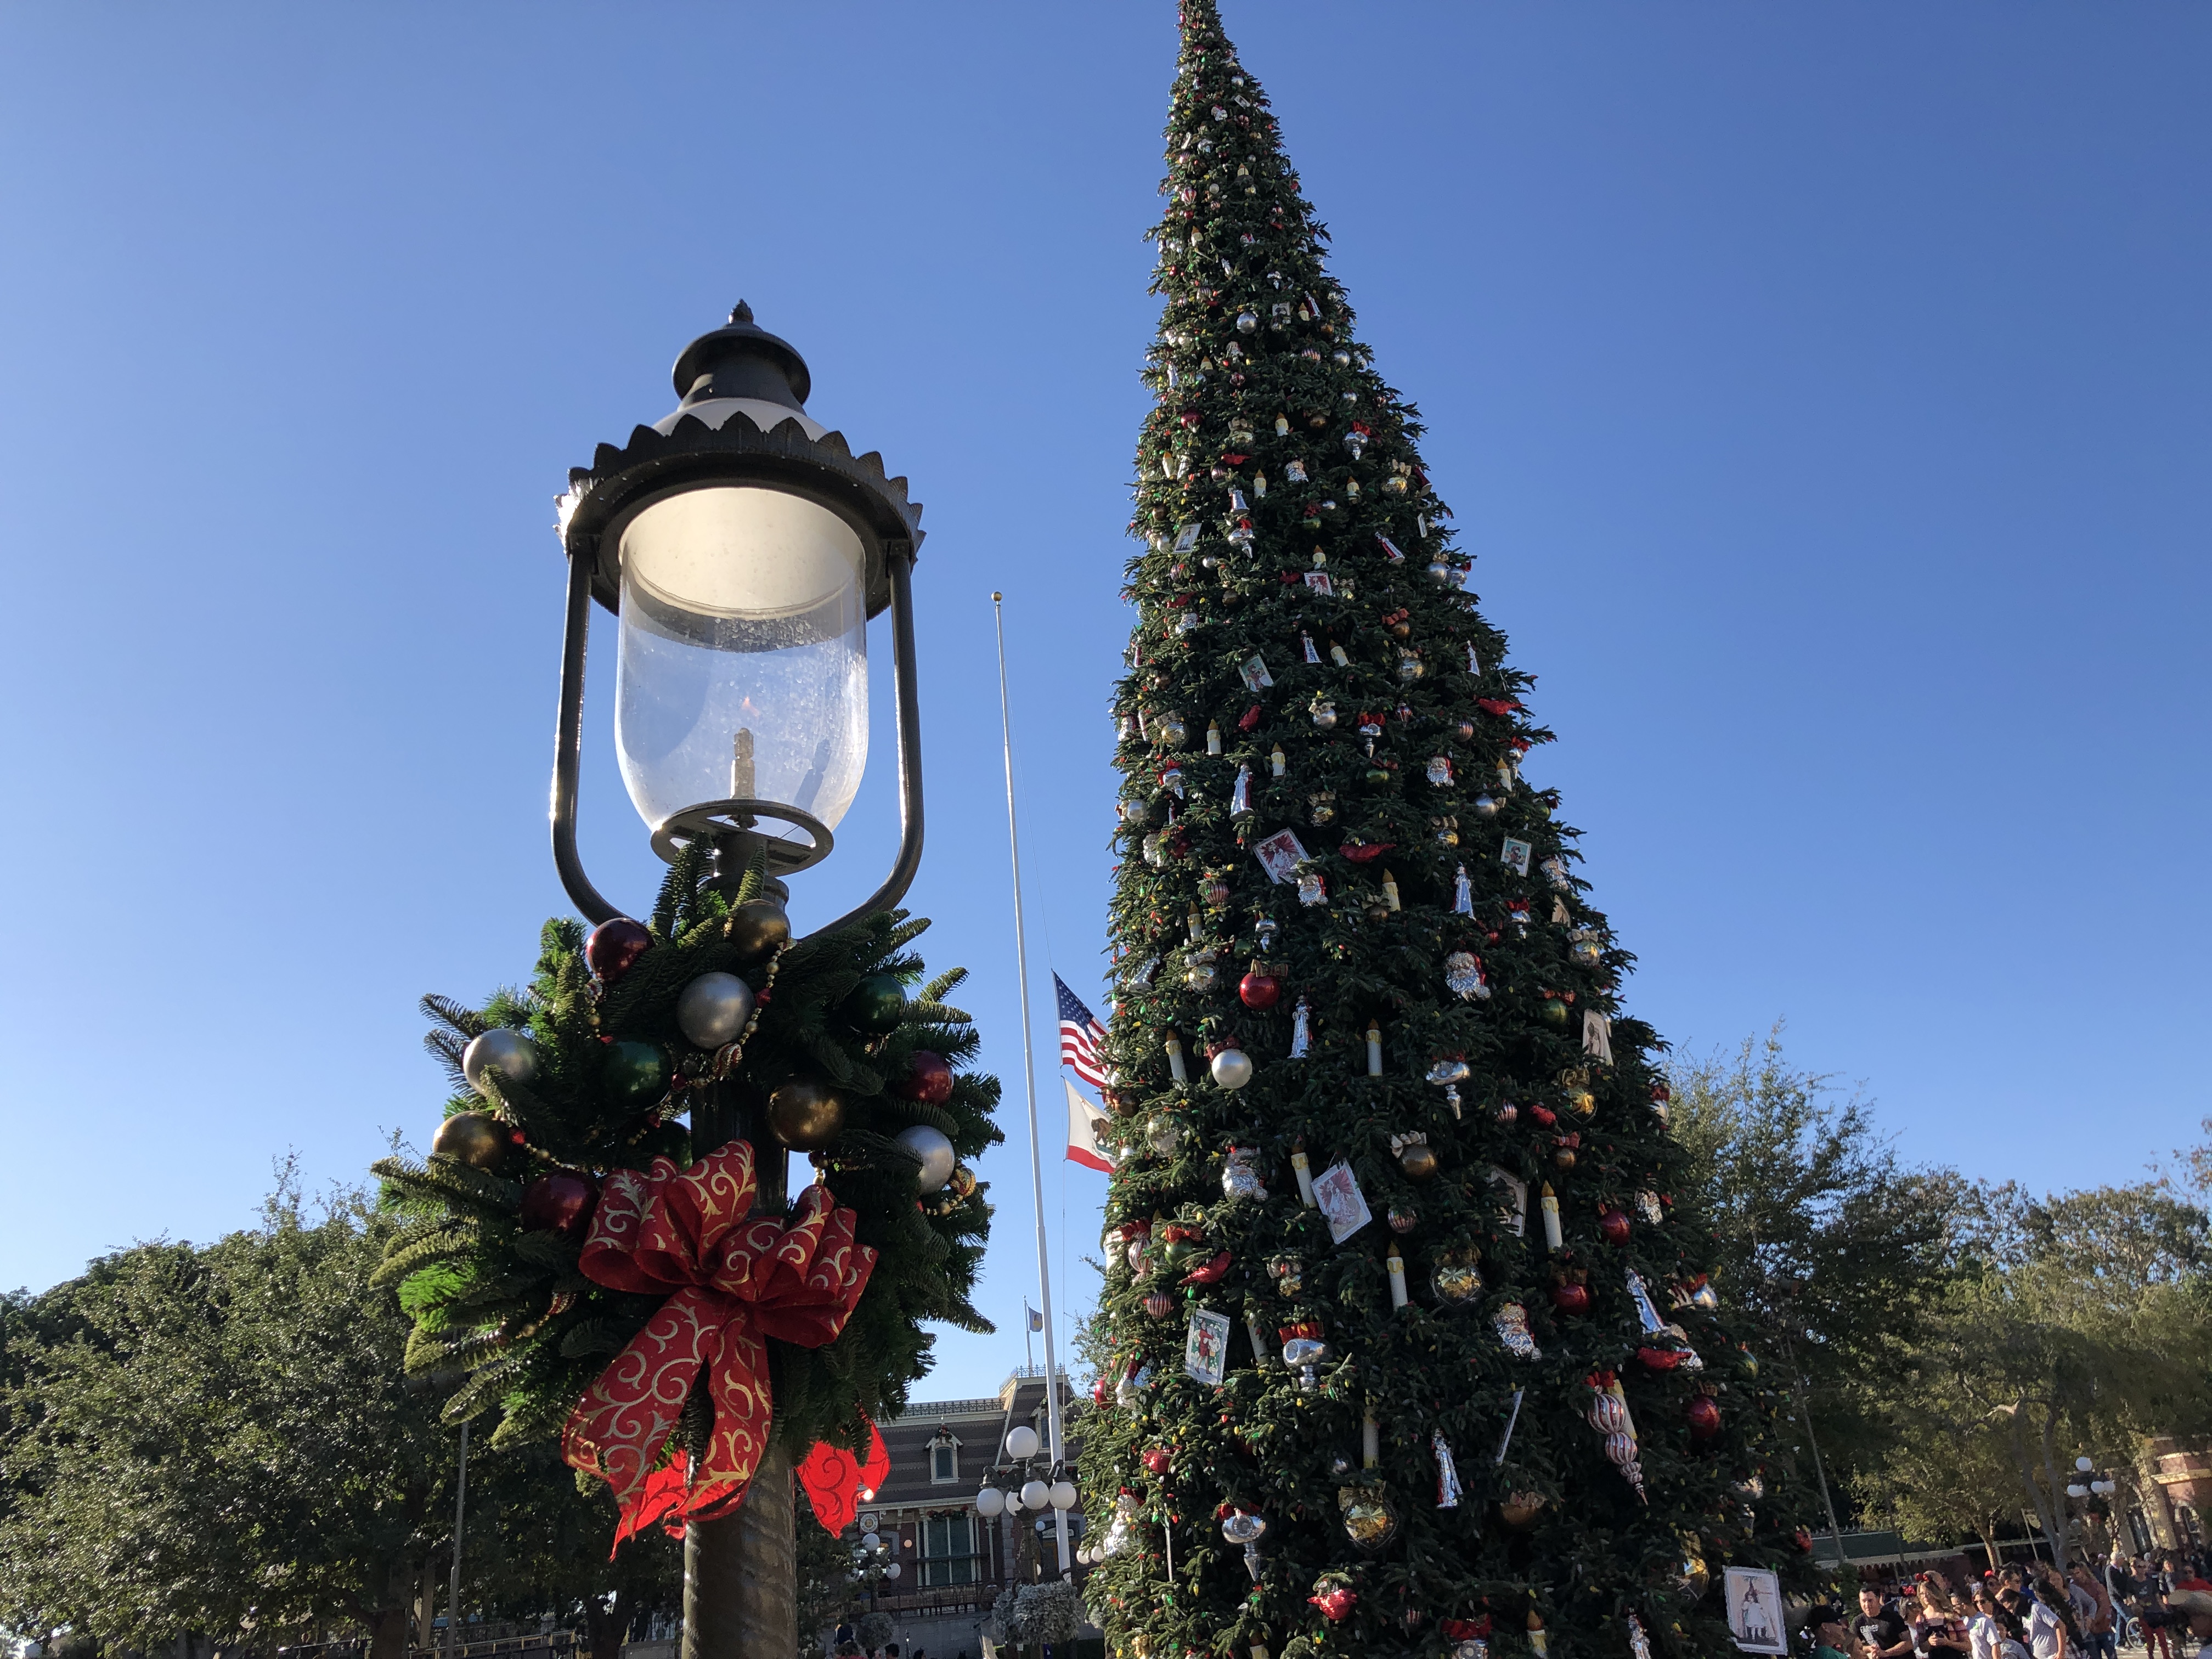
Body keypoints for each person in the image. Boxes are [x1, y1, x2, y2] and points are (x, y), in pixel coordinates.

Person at [2073, 1564, 2119, 1659]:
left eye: (2077, 1573)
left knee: (2112, 1656)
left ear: (2083, 1572)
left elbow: (2104, 1606)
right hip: (2088, 1632)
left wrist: (2093, 1621)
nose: (2076, 1576)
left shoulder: (2096, 1586)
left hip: (2103, 1628)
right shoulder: (2073, 1589)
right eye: (2072, 1574)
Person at [1860, 1587, 1917, 1659]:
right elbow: (1852, 1647)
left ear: (1878, 1600)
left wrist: (1886, 1653)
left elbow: (1908, 1643)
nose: (1867, 1604)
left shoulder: (1893, 1617)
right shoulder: (1858, 1622)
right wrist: (1869, 1649)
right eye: (1864, 1601)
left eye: (1870, 1601)